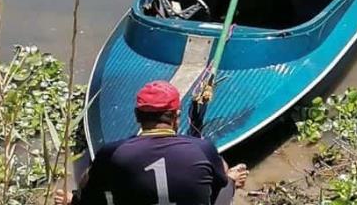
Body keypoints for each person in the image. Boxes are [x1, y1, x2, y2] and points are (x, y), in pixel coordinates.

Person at [54, 81, 249, 205]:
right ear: (176, 116)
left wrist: (76, 200)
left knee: (96, 189)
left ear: (137, 115)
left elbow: (91, 194)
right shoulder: (203, 148)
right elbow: (218, 182)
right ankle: (234, 179)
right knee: (224, 180)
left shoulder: (111, 153)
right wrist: (228, 179)